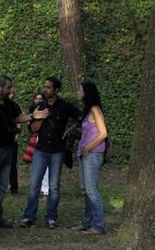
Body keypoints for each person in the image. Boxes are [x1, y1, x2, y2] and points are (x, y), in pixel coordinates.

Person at [0, 76, 49, 228]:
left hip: (7, 149)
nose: (11, 90)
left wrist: (33, 116)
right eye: (8, 87)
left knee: (1, 186)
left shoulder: (9, 104)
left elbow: (18, 117)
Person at [21, 77, 83, 229]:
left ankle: (51, 218)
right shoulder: (40, 106)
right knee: (34, 185)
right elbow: (33, 129)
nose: (46, 90)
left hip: (57, 151)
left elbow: (81, 117)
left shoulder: (64, 106)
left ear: (56, 90)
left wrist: (70, 130)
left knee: (54, 187)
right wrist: (40, 117)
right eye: (45, 87)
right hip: (41, 150)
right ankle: (29, 217)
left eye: (49, 87)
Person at [72, 81, 107, 235]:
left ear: (87, 92)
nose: (77, 92)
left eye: (80, 90)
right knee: (85, 190)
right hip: (85, 154)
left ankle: (98, 226)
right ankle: (87, 223)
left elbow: (103, 133)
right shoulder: (87, 110)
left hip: (92, 154)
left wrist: (88, 147)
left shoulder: (95, 109)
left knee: (92, 190)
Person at [28, 93, 49, 196]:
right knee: (35, 164)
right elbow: (31, 127)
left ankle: (45, 188)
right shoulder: (32, 111)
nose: (38, 100)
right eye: (36, 98)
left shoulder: (46, 110)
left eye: (41, 98)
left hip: (43, 140)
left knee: (45, 165)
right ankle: (38, 186)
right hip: (34, 140)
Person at [8, 89, 22, 195]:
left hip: (12, 139)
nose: (11, 95)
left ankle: (14, 188)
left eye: (13, 93)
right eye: (9, 93)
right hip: (0, 140)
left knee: (12, 164)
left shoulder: (16, 106)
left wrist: (17, 134)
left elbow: (19, 120)